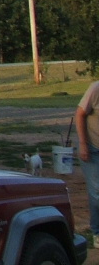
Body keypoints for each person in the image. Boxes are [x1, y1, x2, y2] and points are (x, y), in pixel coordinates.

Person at [76, 80, 99, 247]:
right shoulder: (96, 88)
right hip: (92, 147)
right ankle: (97, 232)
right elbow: (79, 114)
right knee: (97, 191)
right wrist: (83, 144)